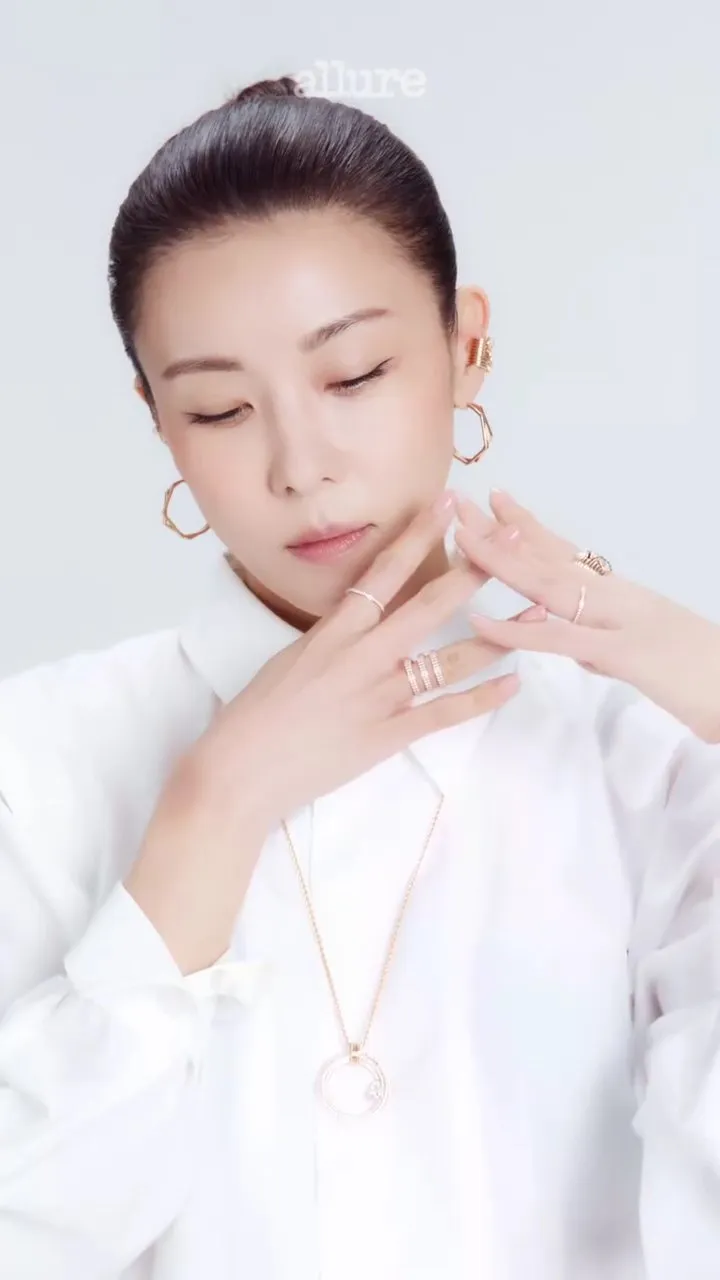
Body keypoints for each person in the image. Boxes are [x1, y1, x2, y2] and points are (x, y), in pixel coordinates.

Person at [0, 72, 719, 1280]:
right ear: (157, 419)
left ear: (466, 345)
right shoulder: (39, 757)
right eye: (219, 409)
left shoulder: (642, 746)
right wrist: (211, 810)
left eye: (353, 377)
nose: (300, 465)